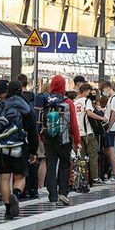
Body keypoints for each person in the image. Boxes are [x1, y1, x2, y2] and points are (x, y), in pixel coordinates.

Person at [0, 80, 38, 219]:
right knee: (20, 177)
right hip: (20, 145)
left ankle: (8, 209)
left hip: (3, 146)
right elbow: (32, 130)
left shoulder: (1, 105)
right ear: (21, 90)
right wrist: (33, 151)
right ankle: (16, 195)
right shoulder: (26, 106)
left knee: (4, 178)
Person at [43, 75, 81, 205]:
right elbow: (74, 124)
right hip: (64, 138)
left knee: (51, 165)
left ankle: (52, 195)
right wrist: (77, 141)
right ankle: (63, 193)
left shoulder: (45, 100)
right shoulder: (68, 101)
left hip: (48, 138)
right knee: (65, 165)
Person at [75, 83, 107, 184]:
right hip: (88, 132)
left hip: (78, 133)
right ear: (84, 92)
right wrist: (102, 118)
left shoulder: (75, 102)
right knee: (93, 155)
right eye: (89, 92)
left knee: (82, 156)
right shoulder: (86, 101)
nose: (90, 94)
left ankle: (83, 178)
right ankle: (95, 178)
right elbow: (89, 113)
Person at [100, 81, 115, 183]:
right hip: (109, 128)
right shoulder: (111, 99)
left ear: (108, 87)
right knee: (107, 150)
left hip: (111, 129)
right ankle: (112, 172)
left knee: (111, 151)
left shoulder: (114, 98)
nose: (103, 92)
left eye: (103, 90)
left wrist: (109, 127)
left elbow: (113, 114)